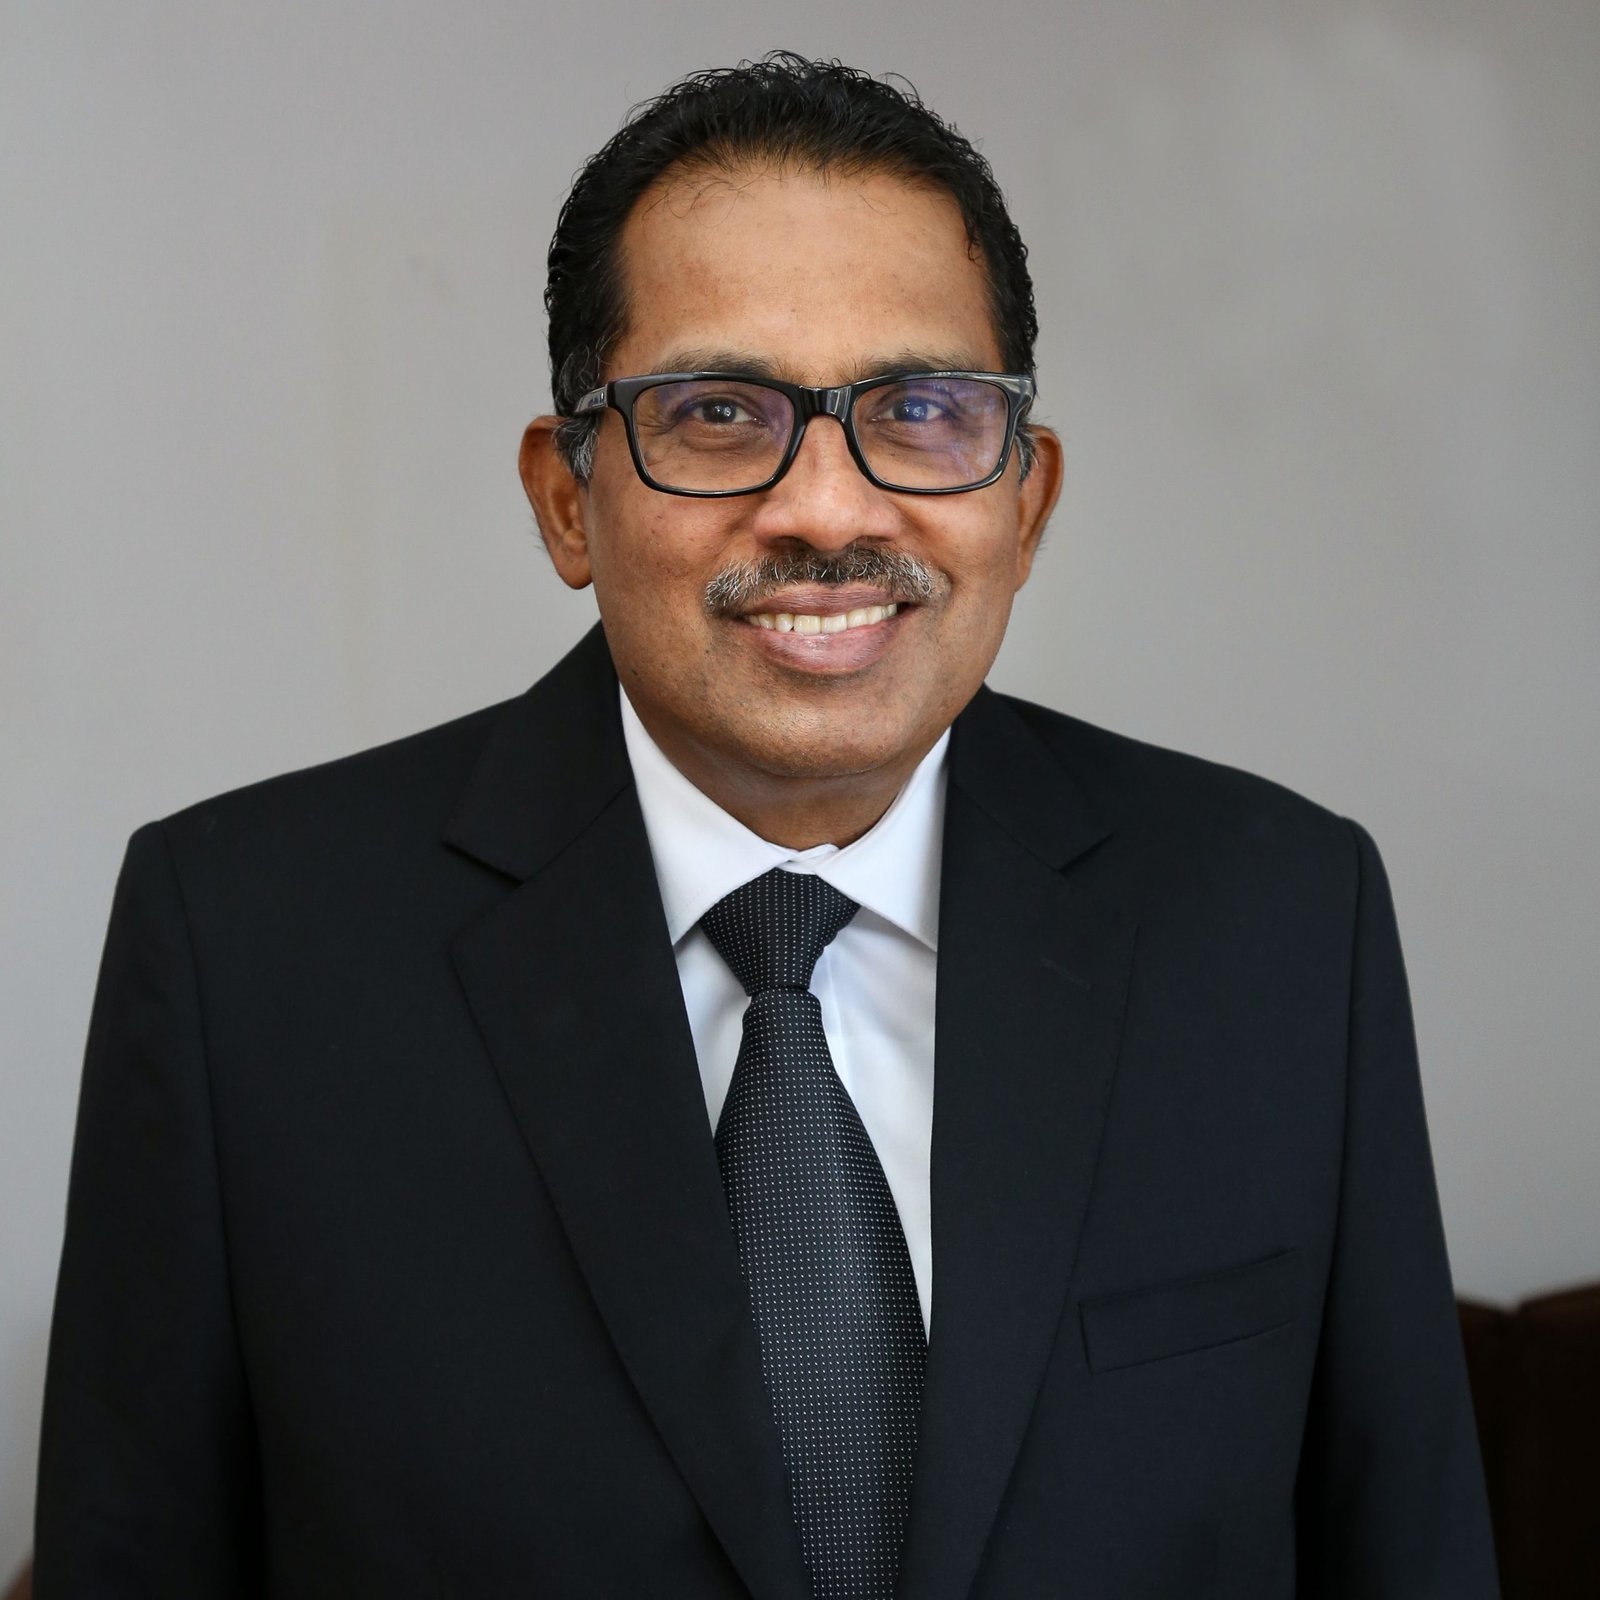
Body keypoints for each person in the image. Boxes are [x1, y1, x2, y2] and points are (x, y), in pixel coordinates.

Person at [35, 52, 1499, 1599]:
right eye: (720, 413)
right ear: (567, 500)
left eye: (920, 410)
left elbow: (1406, 1547)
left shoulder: (1286, 921)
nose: (827, 510)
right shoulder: (244, 956)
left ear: (1026, 500)